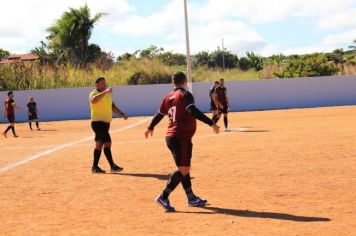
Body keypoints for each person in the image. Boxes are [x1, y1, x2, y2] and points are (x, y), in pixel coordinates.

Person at [145, 71, 220, 212]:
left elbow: (159, 115)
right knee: (183, 169)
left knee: (184, 167)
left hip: (174, 137)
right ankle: (163, 196)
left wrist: (150, 127)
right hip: (180, 137)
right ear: (185, 82)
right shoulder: (185, 94)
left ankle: (191, 197)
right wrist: (211, 123)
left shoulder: (167, 97)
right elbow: (192, 110)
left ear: (173, 83)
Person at [89, 77, 129, 174]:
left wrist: (122, 114)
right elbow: (94, 100)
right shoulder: (94, 93)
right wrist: (105, 92)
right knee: (108, 143)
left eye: (105, 83)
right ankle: (112, 166)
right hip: (98, 123)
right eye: (102, 83)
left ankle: (95, 167)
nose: (104, 84)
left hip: (105, 124)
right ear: (96, 85)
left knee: (99, 145)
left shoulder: (108, 95)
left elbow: (112, 107)